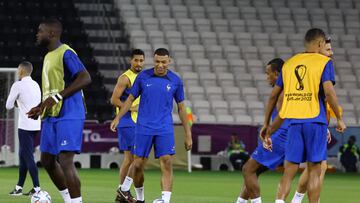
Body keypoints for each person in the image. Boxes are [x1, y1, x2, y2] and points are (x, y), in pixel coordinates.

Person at [262, 28, 346, 203]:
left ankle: (280, 201)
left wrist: (266, 124)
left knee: (289, 170)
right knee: (316, 169)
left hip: (293, 122)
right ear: (320, 43)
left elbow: (273, 96)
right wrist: (339, 118)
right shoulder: (323, 62)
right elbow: (329, 93)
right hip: (315, 121)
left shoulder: (290, 63)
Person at [110, 48, 192, 203]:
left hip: (164, 128)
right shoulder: (143, 77)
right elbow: (129, 100)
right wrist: (118, 117)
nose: (160, 65)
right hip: (143, 128)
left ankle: (165, 200)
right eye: (157, 61)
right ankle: (140, 198)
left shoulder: (175, 80)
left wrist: (188, 134)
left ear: (169, 61)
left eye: (163, 62)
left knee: (167, 161)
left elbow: (181, 107)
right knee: (138, 164)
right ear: (153, 61)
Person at [27, 18, 91, 203]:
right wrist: (40, 107)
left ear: (52, 33)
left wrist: (56, 98)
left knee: (65, 160)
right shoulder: (48, 56)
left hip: (70, 111)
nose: (37, 34)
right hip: (52, 114)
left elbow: (85, 78)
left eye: (41, 31)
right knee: (46, 160)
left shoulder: (66, 52)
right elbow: (52, 90)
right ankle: (68, 199)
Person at [235, 58, 287, 203]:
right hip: (283, 136)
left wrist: (269, 131)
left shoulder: (282, 94)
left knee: (247, 169)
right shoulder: (288, 91)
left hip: (280, 136)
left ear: (277, 74)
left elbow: (283, 116)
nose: (266, 78)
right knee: (253, 171)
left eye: (267, 73)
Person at [291, 36, 335, 203]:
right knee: (318, 166)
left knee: (313, 166)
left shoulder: (314, 67)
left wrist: (324, 126)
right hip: (308, 121)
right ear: (318, 48)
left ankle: (296, 200)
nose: (332, 53)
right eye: (328, 49)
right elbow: (325, 95)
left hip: (310, 120)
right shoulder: (320, 67)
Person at [110, 49, 144, 201]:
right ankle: (123, 191)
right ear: (131, 60)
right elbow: (114, 100)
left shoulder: (143, 77)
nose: (138, 63)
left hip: (139, 121)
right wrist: (131, 108)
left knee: (133, 160)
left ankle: (123, 193)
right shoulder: (125, 78)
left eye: (141, 60)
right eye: (136, 60)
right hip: (127, 120)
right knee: (132, 159)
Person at [6, 61, 41, 196]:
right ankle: (19, 187)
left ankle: (37, 188)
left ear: (21, 71)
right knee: (23, 156)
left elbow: (8, 105)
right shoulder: (36, 84)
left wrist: (18, 103)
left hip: (25, 126)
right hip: (36, 125)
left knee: (28, 156)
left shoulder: (18, 85)